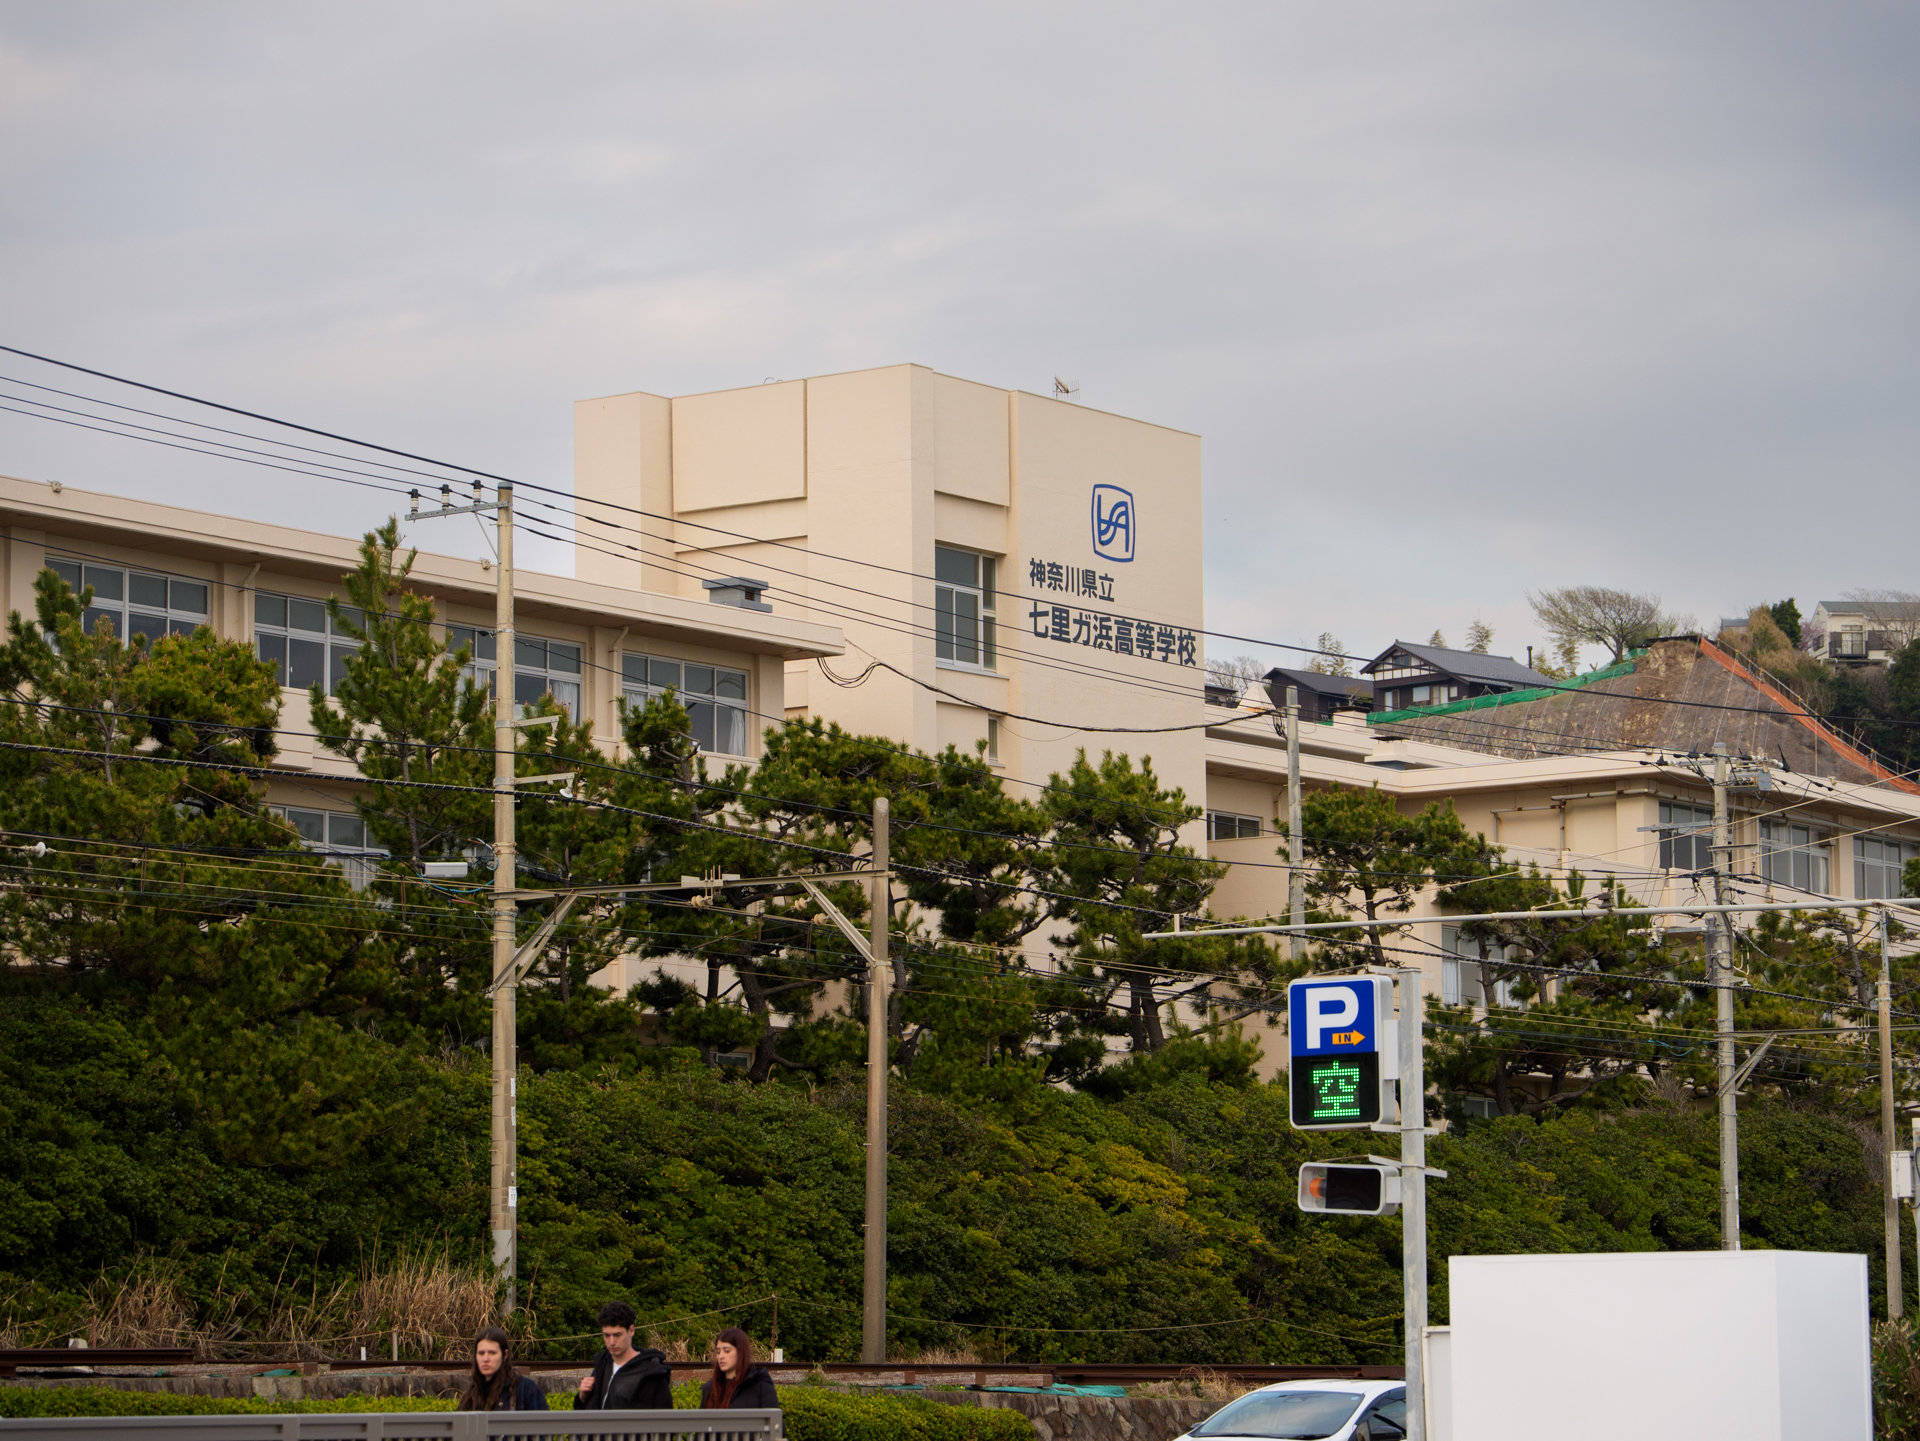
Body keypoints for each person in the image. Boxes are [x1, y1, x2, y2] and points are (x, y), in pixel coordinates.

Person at [576, 1301, 673, 1411]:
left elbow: (664, 1418)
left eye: (617, 1335)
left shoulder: (652, 1373)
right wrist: (582, 1398)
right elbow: (587, 1415)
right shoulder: (602, 1364)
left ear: (631, 1330)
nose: (612, 1342)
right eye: (606, 1335)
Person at [458, 1326, 549, 1412]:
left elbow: (543, 1422)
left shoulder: (525, 1389)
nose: (485, 1359)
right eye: (481, 1353)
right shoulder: (471, 1397)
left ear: (505, 1355)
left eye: (492, 1353)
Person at [698, 1328, 777, 1410]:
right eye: (718, 1352)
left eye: (727, 1351)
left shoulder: (760, 1384)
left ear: (740, 1352)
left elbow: (773, 1417)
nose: (721, 1356)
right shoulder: (710, 1388)